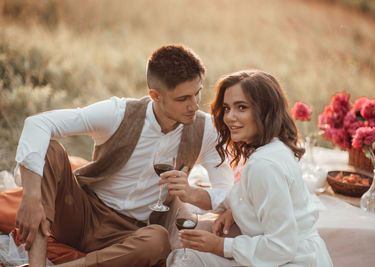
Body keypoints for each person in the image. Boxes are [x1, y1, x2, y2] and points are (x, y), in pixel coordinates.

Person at [14, 45, 233, 267]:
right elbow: (38, 124)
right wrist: (31, 198)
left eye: (198, 93)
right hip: (81, 214)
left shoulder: (205, 130)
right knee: (50, 150)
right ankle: (36, 263)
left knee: (158, 240)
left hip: (130, 234)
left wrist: (192, 193)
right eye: (183, 98)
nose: (195, 105)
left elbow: (226, 191)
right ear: (155, 96)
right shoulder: (117, 113)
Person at [168, 70, 333, 266]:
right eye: (227, 108)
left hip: (293, 261)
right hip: (300, 256)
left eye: (242, 107)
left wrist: (220, 245)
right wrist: (194, 195)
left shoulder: (264, 165)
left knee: (184, 260)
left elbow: (282, 246)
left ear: (265, 111)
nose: (229, 117)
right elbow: (244, 197)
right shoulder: (275, 148)